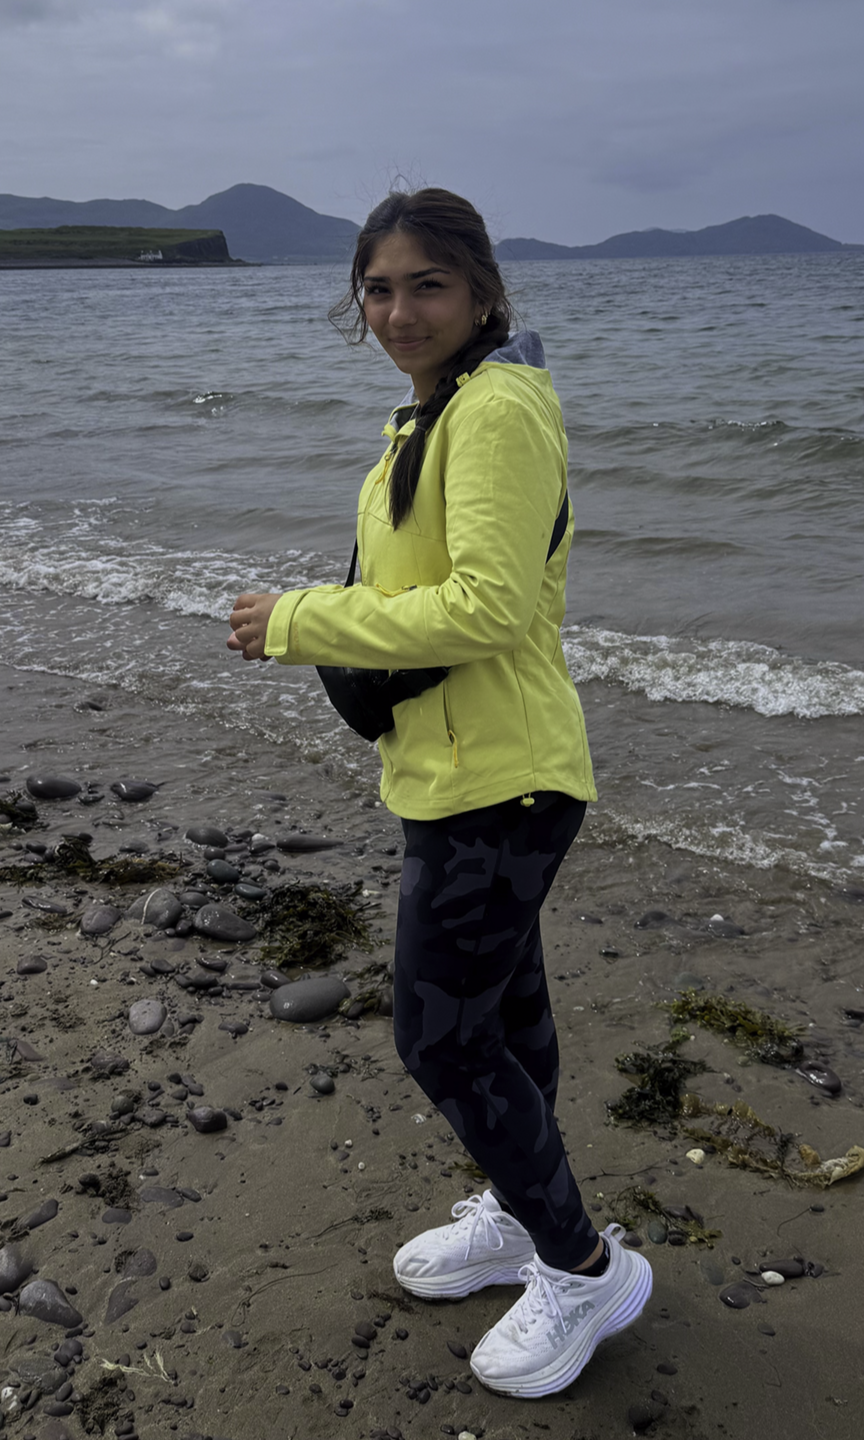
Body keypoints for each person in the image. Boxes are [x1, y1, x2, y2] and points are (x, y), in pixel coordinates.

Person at [226, 187, 651, 1398]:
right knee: (505, 1018)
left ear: (481, 293)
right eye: (378, 288)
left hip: (503, 782)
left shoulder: (498, 408)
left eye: (427, 285)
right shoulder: (434, 411)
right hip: (457, 770)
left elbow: (490, 608)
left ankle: (584, 1269)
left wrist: (300, 619)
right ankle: (521, 1217)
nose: (399, 311)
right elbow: (426, 593)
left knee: (443, 1040)